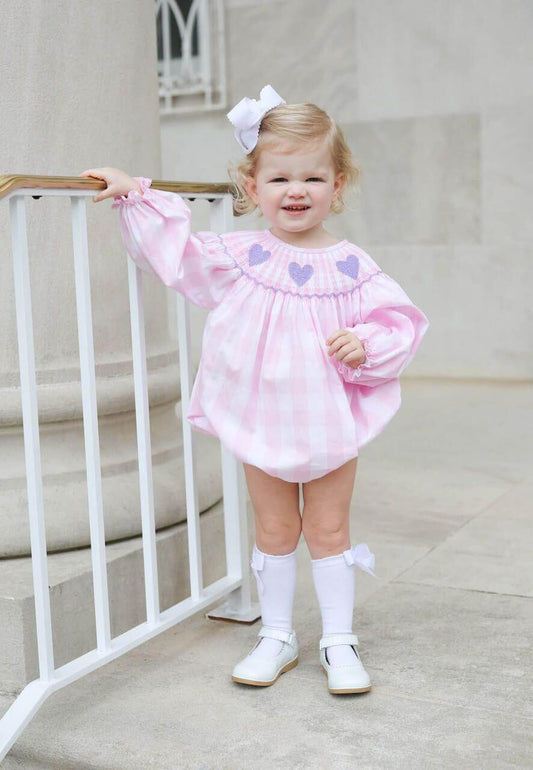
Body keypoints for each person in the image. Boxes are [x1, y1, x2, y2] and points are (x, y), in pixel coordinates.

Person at [78, 84, 429, 696]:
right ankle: (277, 634)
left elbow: (398, 320)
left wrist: (367, 343)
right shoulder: (239, 257)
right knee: (273, 528)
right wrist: (134, 193)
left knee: (327, 528)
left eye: (314, 179)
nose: (296, 191)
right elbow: (177, 256)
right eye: (280, 178)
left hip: (327, 419)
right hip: (263, 416)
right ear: (252, 186)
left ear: (338, 186)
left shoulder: (353, 266)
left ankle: (339, 640)